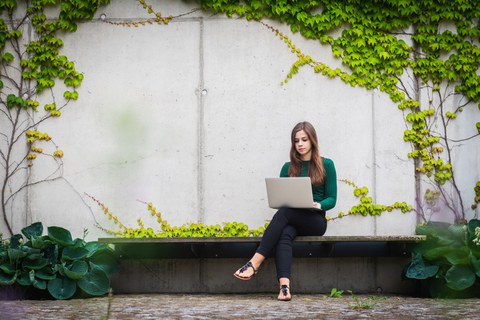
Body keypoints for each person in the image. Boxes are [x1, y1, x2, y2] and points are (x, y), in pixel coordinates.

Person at [233, 121, 337, 301]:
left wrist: (317, 205)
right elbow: (281, 197)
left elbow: (332, 199)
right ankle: (284, 288)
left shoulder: (326, 164)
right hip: (292, 218)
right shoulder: (287, 167)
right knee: (284, 233)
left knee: (285, 213)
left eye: (304, 139)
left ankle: (255, 262)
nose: (300, 144)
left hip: (315, 221)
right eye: (296, 141)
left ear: (312, 140)